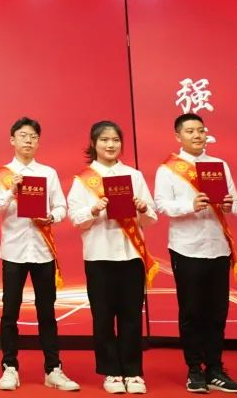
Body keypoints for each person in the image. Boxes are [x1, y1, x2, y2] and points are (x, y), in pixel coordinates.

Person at [0, 117, 79, 392]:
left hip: (42, 251)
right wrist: (9, 193)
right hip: (13, 252)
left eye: (33, 136)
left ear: (38, 142)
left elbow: (61, 207)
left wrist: (51, 217)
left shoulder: (48, 173)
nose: (28, 140)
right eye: (23, 135)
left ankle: (53, 369)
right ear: (12, 140)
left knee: (47, 313)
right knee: (9, 313)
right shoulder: (1, 176)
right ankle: (9, 367)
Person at [154, 113, 237, 394]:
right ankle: (194, 369)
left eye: (201, 131)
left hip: (217, 247)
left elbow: (235, 201)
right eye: (190, 131)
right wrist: (189, 205)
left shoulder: (219, 165)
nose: (197, 135)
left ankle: (215, 368)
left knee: (217, 312)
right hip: (186, 248)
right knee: (191, 311)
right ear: (178, 136)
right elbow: (161, 205)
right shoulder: (168, 169)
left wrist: (228, 205)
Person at [67, 121, 158, 395]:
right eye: (104, 140)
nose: (110, 145)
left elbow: (151, 218)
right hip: (99, 256)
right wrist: (94, 209)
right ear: (94, 144)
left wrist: (142, 207)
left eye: (115, 140)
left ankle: (133, 371)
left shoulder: (134, 176)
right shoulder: (83, 180)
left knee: (131, 316)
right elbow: (76, 220)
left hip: (131, 256)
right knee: (103, 317)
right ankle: (111, 372)